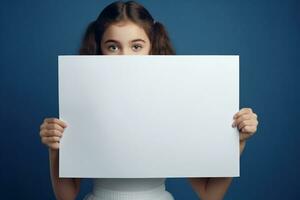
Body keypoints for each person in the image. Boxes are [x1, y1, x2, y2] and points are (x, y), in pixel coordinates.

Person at [39, 1, 259, 200]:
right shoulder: (83, 105)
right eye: (113, 47)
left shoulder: (173, 103)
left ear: (151, 48)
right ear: (99, 50)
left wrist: (237, 142)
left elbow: (209, 194)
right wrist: (55, 148)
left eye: (136, 46)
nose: (125, 58)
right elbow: (66, 196)